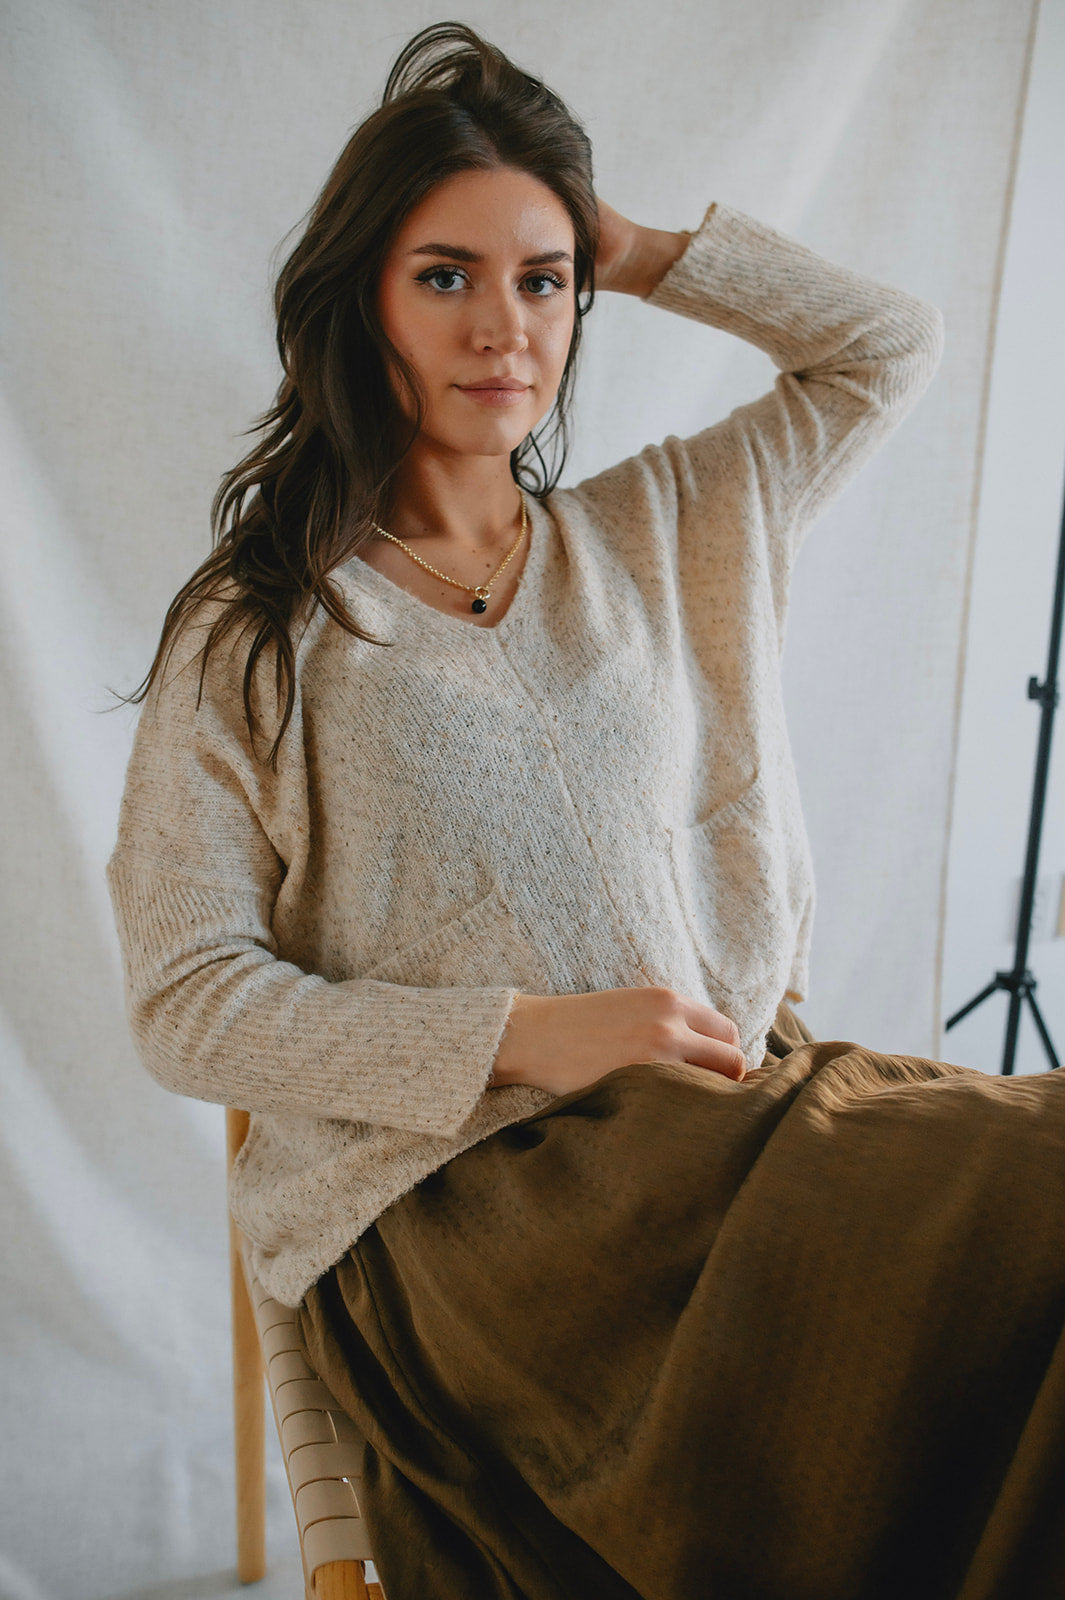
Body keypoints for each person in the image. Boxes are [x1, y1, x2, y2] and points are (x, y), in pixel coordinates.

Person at [107, 20, 1065, 1600]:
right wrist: (524, 1036)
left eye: (540, 282)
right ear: (359, 296)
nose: (505, 328)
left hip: (734, 1130)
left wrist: (626, 244)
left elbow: (884, 348)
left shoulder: (668, 522)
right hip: (484, 1219)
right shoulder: (261, 628)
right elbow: (186, 999)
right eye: (445, 276)